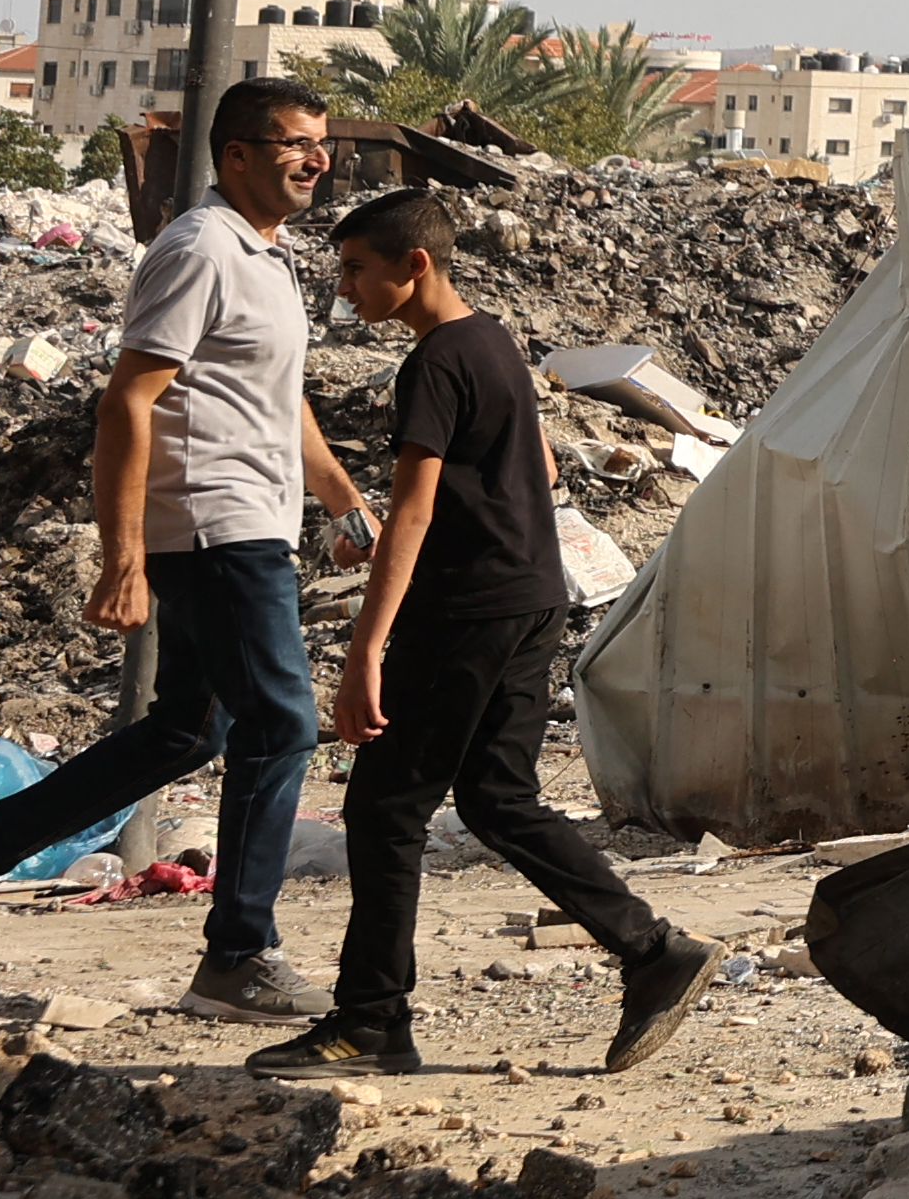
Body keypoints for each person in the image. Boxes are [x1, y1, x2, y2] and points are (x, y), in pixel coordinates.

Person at [249, 194, 713, 1079]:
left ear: (411, 265)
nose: (343, 291)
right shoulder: (491, 340)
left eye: (355, 270)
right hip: (530, 597)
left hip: (465, 609)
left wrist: (365, 651)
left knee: (385, 808)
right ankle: (654, 952)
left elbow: (411, 515)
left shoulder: (432, 365)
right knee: (498, 799)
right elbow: (534, 463)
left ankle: (372, 1021)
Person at [0, 76, 374, 1016]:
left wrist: (343, 501)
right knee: (282, 725)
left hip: (254, 521)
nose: (314, 159)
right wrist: (124, 556)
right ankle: (238, 953)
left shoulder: (266, 256)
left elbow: (279, 396)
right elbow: (127, 400)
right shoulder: (198, 249)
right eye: (291, 144)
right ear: (235, 156)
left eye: (321, 142)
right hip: (214, 525)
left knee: (191, 728)